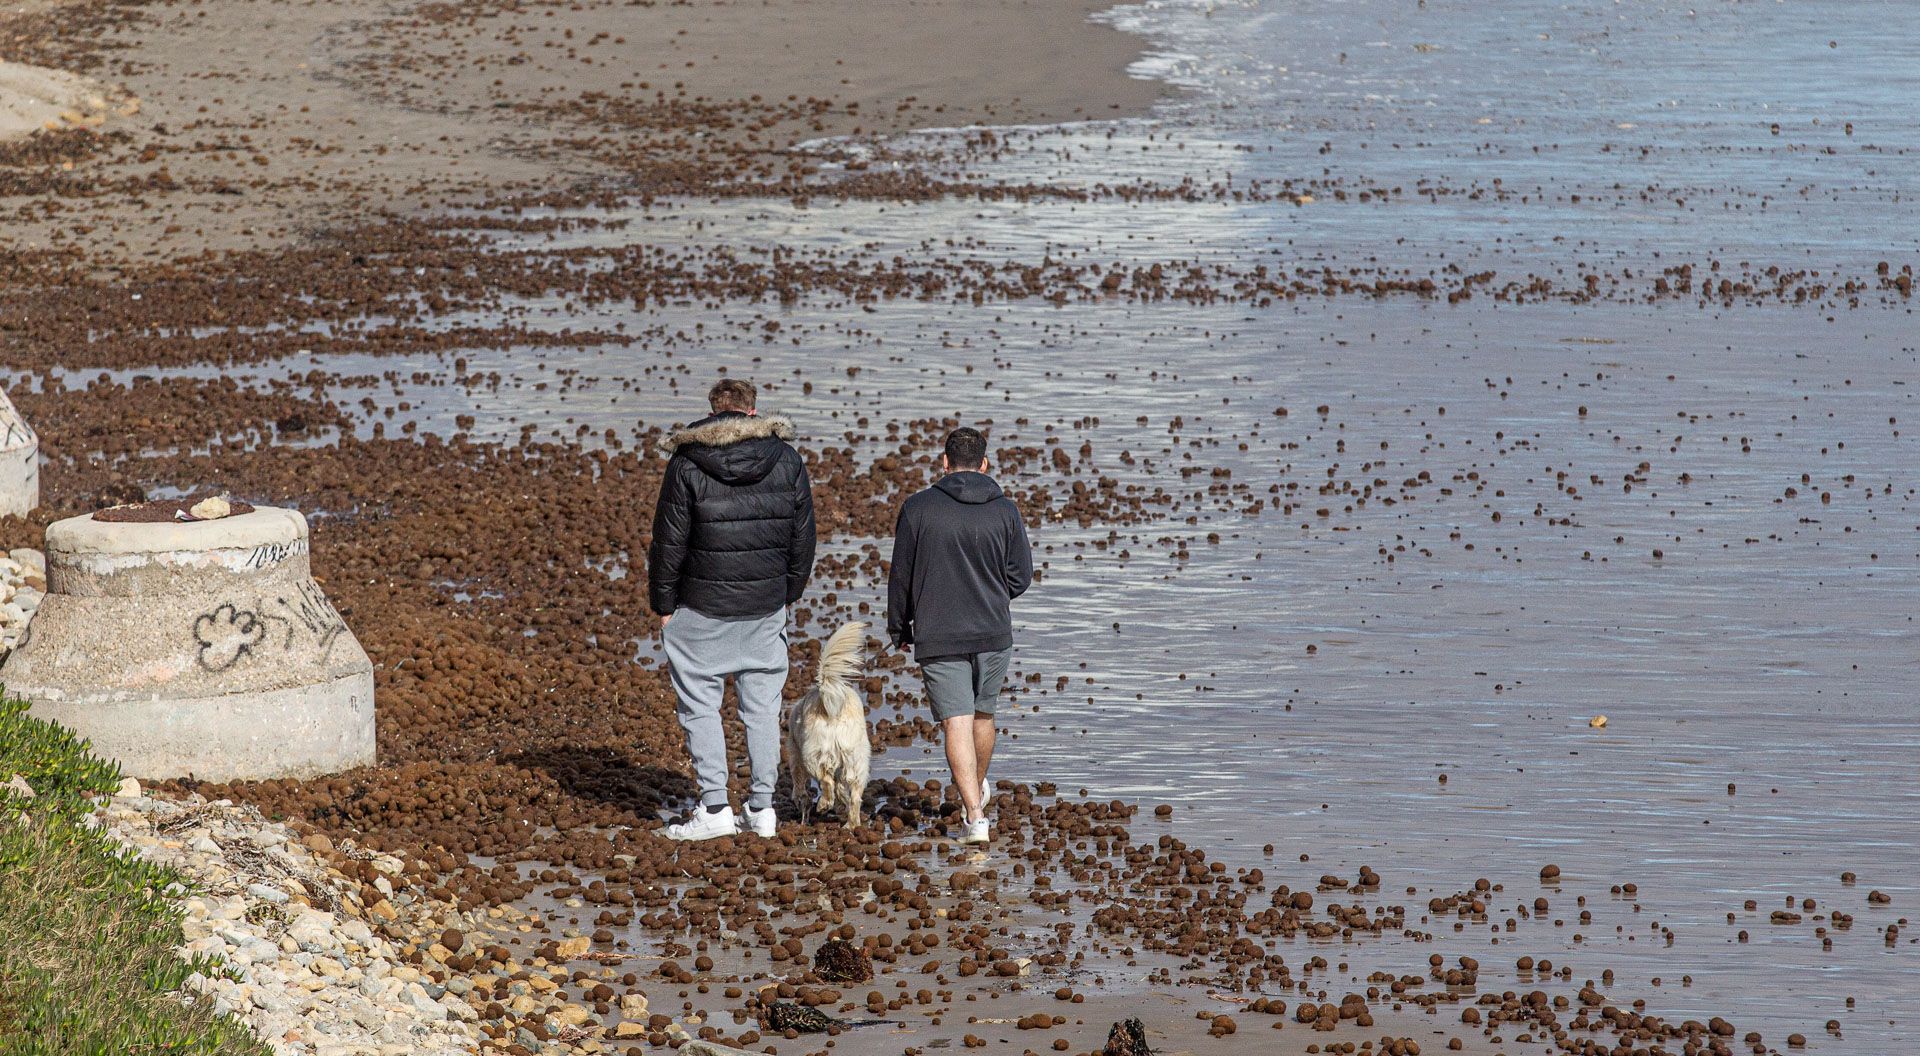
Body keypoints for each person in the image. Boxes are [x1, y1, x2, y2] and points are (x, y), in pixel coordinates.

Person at [648, 378, 816, 841]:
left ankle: (716, 806)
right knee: (762, 709)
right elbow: (804, 538)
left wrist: (663, 603)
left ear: (713, 410)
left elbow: (668, 542)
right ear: (752, 410)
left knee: (700, 705)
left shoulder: (685, 463)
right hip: (764, 605)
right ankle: (762, 809)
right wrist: (788, 592)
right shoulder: (787, 459)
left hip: (701, 606)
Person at [886, 426, 1033, 844]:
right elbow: (1022, 576)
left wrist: (899, 626)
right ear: (984, 464)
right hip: (992, 630)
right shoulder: (1005, 510)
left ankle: (974, 814)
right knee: (983, 715)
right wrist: (991, 594)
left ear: (944, 463)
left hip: (939, 633)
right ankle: (976, 793)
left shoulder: (917, 508)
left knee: (957, 721)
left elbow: (901, 577)